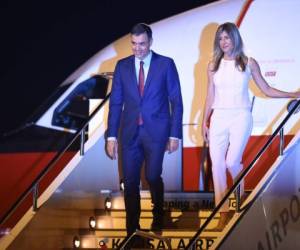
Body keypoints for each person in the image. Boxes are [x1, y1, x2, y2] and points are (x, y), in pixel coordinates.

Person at [201, 22, 300, 229]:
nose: (223, 42)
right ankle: (223, 211)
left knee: (231, 163)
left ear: (235, 38)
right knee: (217, 165)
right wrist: (205, 120)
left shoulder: (248, 63)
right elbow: (210, 94)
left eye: (227, 37)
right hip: (218, 116)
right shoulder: (212, 65)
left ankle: (240, 192)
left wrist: (292, 94)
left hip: (241, 116)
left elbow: (266, 89)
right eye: (220, 38)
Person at [106, 23, 183, 239]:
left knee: (152, 175)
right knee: (130, 182)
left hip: (157, 133)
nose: (137, 48)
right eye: (133, 44)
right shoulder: (122, 66)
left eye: (141, 43)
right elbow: (115, 103)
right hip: (130, 133)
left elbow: (176, 101)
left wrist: (174, 134)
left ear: (150, 42)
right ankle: (133, 233)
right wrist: (111, 136)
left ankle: (159, 214)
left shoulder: (165, 64)